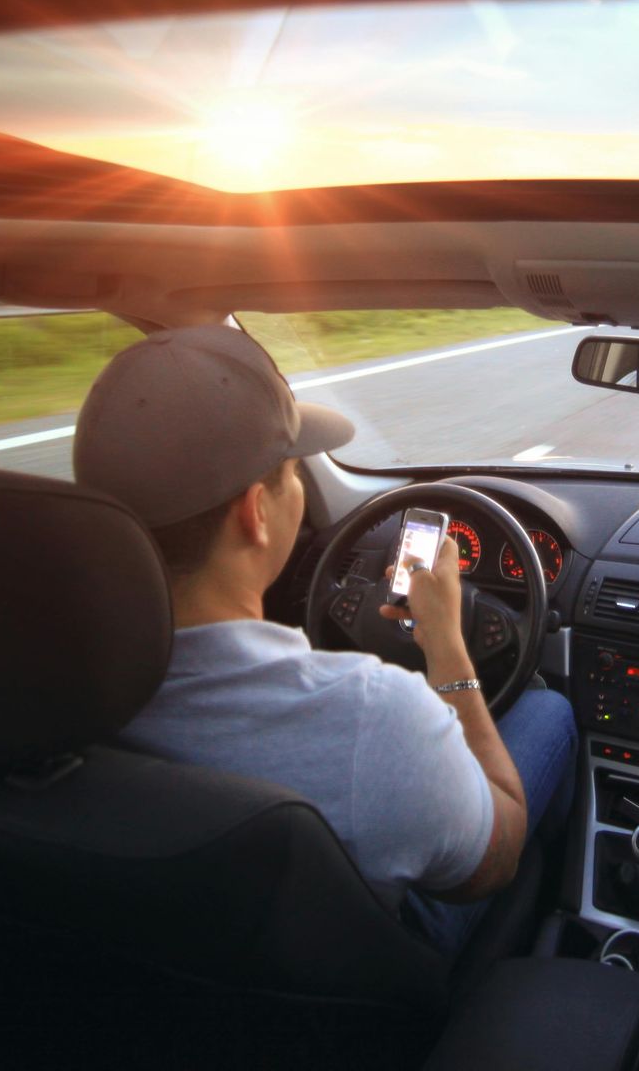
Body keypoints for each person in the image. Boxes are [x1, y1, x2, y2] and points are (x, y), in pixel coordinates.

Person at [73, 325, 577, 956]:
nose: (301, 493)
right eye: (293, 476)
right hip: (364, 971)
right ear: (255, 513)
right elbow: (496, 854)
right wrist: (447, 644)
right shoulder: (373, 714)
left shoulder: (28, 679)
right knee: (548, 711)